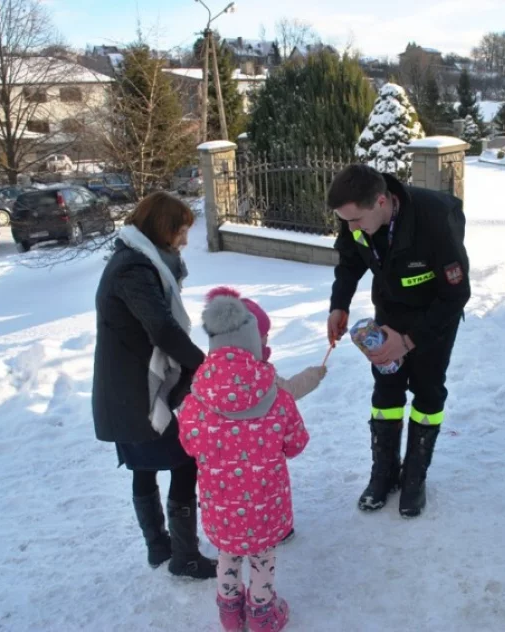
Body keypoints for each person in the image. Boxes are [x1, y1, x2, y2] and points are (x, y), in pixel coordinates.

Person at [325, 164, 471, 518]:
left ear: (380, 201)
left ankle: (414, 477)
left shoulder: (435, 221)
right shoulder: (356, 218)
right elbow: (348, 261)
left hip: (434, 317)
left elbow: (457, 295)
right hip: (389, 311)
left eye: (356, 220)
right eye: (345, 221)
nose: (351, 228)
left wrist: (408, 341)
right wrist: (339, 304)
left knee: (428, 392)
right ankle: (385, 472)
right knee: (386, 391)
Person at [92, 191, 217, 579]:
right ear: (164, 228)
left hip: (128, 387)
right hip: (140, 391)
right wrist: (204, 365)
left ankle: (160, 547)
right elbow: (161, 327)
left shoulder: (137, 260)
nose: (184, 239)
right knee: (184, 461)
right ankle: (184, 555)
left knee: (144, 468)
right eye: (181, 230)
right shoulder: (135, 269)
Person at [176, 288, 312, 632]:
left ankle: (230, 613)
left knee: (228, 555)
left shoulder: (196, 400)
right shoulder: (278, 396)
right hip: (267, 507)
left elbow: (189, 444)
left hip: (221, 507)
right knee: (262, 557)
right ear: (254, 342)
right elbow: (296, 443)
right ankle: (263, 613)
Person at [204, 286, 328, 544]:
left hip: (222, 469)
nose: (267, 340)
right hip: (261, 463)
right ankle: (271, 532)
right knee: (260, 490)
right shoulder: (263, 377)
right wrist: (313, 376)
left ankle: (233, 537)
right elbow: (290, 394)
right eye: (263, 336)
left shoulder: (209, 378)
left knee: (232, 494)